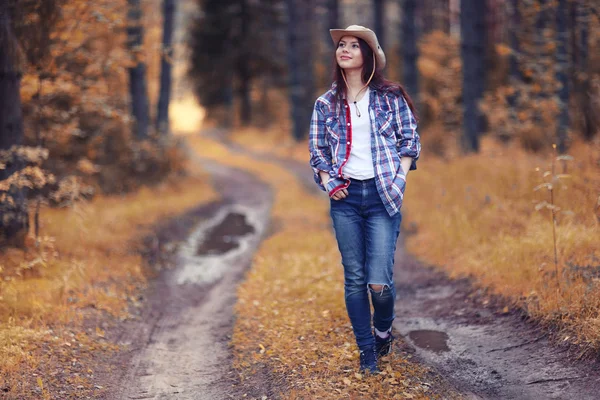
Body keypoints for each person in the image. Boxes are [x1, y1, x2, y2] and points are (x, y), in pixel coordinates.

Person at [308, 25, 421, 374]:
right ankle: (367, 352)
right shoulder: (325, 104)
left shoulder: (390, 96)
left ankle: (383, 330)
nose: (344, 49)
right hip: (344, 198)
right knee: (355, 278)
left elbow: (409, 141)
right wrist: (329, 183)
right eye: (341, 45)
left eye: (353, 46)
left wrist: (400, 178)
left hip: (382, 194)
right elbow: (318, 153)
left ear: (367, 55)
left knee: (379, 282)